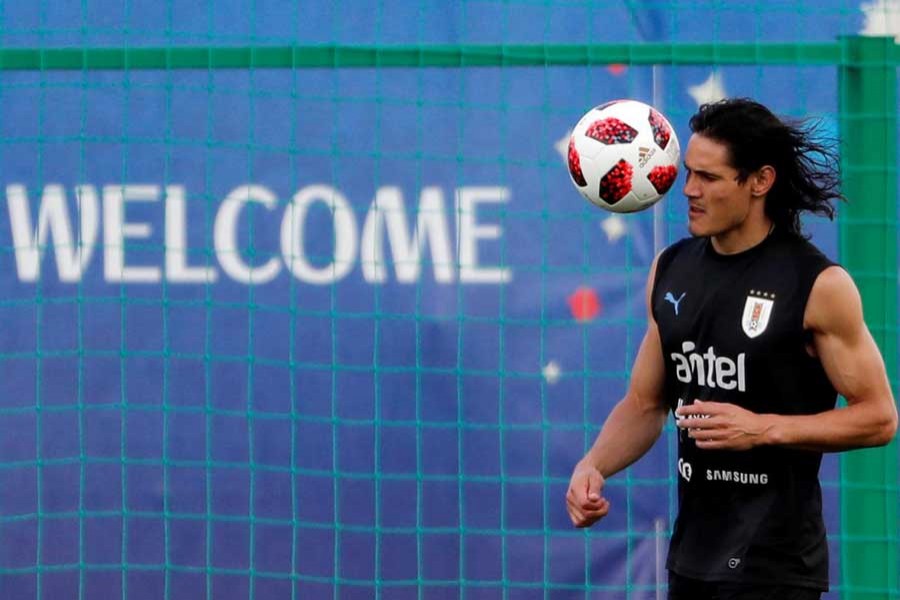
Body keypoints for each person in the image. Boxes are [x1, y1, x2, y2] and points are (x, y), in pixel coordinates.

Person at [565, 98, 898, 599]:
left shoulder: (818, 285)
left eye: (710, 178)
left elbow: (879, 418)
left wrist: (763, 429)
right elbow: (645, 403)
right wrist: (594, 465)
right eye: (688, 175)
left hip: (775, 567)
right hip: (693, 559)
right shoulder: (670, 268)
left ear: (759, 181)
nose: (690, 191)